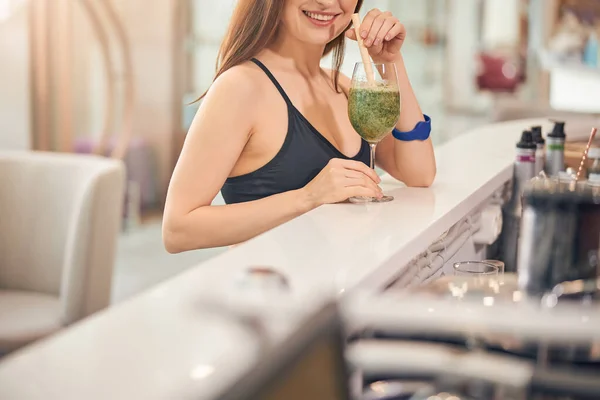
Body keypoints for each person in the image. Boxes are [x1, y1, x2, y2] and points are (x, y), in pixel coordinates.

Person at [163, 0, 436, 252]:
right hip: (274, 297)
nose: (328, 2)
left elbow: (419, 173)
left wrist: (390, 62)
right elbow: (178, 229)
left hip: (341, 293)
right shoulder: (240, 87)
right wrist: (307, 198)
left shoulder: (343, 86)